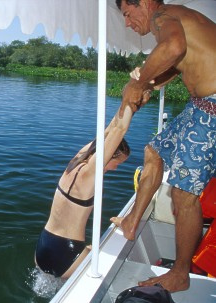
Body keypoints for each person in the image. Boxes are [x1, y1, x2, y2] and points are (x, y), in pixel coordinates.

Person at [111, 0, 216, 293]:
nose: (128, 23)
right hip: (202, 106)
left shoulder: (163, 16)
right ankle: (132, 222)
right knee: (154, 152)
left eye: (128, 15)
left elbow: (173, 48)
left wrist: (138, 82)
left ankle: (180, 273)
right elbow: (177, 60)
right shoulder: (177, 16)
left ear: (144, 3)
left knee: (184, 193)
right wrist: (149, 84)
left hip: (213, 109)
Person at [35, 105, 132, 279]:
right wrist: (135, 94)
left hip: (43, 247)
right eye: (118, 163)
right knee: (122, 267)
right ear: (107, 156)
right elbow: (120, 129)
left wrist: (127, 101)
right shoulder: (90, 174)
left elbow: (110, 129)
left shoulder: (74, 164)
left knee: (94, 247)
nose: (116, 168)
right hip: (68, 253)